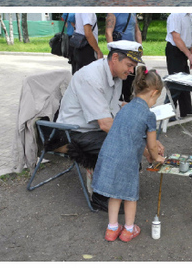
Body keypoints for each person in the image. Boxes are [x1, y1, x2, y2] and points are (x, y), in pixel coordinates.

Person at [56, 41, 163, 210]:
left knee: (125, 145)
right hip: (72, 133)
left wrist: (146, 142)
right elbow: (106, 124)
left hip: (93, 130)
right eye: (129, 65)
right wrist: (144, 147)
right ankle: (101, 197)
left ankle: (116, 191)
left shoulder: (116, 75)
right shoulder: (91, 77)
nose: (131, 71)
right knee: (119, 149)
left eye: (133, 66)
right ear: (114, 58)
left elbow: (113, 113)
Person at [92, 65, 166, 243]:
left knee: (114, 194)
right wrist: (156, 157)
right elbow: (152, 144)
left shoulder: (124, 108)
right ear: (153, 92)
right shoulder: (148, 115)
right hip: (127, 161)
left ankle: (112, 229)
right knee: (129, 195)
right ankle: (128, 230)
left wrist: (146, 153)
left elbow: (128, 136)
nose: (155, 103)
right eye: (157, 98)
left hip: (110, 155)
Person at [164, 13, 192, 117]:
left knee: (185, 81)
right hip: (174, 50)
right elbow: (176, 38)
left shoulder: (189, 15)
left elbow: (189, 38)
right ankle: (168, 114)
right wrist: (189, 55)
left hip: (183, 50)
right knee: (175, 82)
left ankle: (186, 109)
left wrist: (190, 55)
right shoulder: (176, 15)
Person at [105, 14, 142, 102]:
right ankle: (116, 103)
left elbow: (137, 31)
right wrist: (113, 49)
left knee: (130, 81)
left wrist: (140, 47)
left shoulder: (132, 13)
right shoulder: (113, 13)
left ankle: (128, 103)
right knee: (118, 80)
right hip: (120, 52)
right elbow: (108, 32)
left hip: (132, 52)